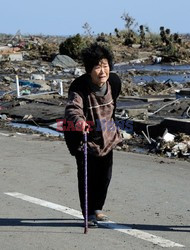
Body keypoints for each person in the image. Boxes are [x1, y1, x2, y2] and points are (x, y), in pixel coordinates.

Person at [64, 43, 122, 227]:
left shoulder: (114, 82)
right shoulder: (79, 86)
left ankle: (97, 208)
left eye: (105, 65)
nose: (102, 71)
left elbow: (112, 108)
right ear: (89, 70)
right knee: (87, 176)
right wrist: (79, 121)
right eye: (97, 66)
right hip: (83, 136)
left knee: (105, 176)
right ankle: (87, 213)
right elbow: (73, 108)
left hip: (106, 134)